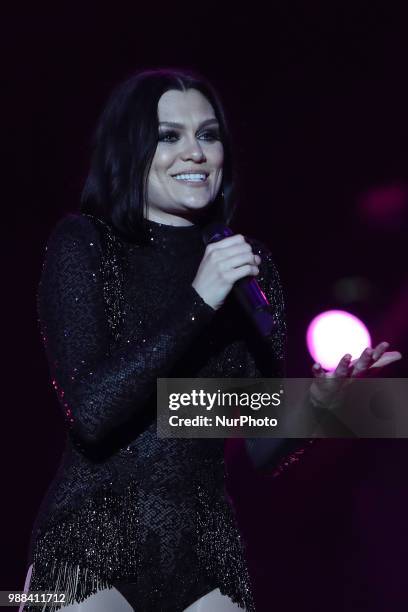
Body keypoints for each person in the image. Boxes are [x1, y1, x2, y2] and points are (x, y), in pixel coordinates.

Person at [20, 68, 400, 612]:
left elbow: (258, 443)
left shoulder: (250, 265)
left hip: (204, 549)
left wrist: (321, 405)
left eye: (208, 134)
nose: (195, 152)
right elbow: (93, 411)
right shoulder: (85, 245)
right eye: (169, 136)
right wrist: (199, 301)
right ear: (131, 149)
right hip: (91, 538)